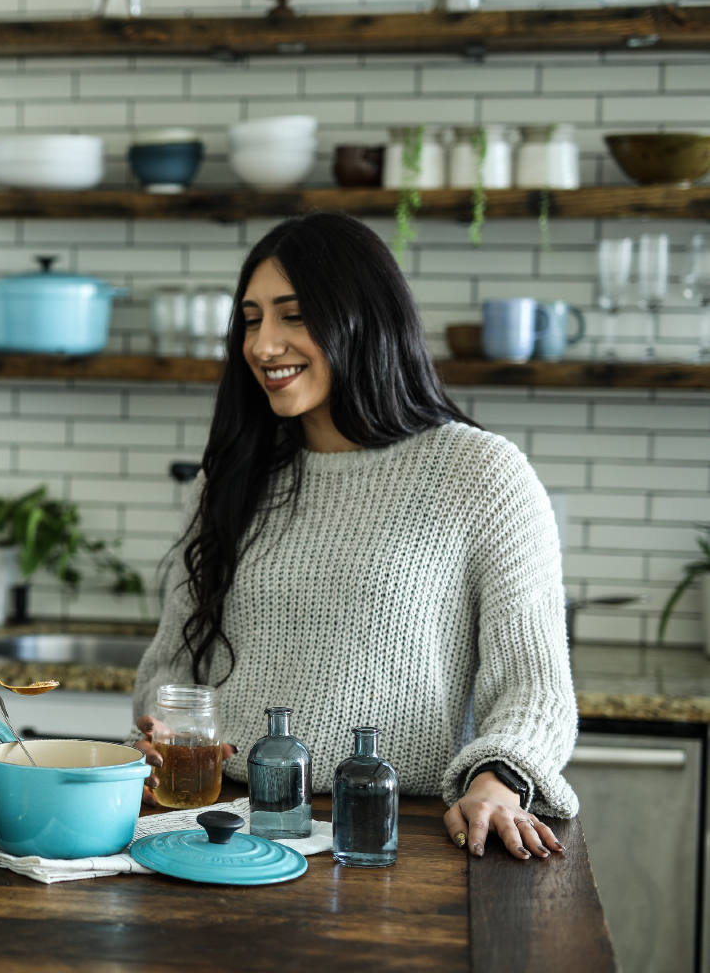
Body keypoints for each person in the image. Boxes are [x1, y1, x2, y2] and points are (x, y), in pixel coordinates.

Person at [132, 212, 577, 862]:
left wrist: (498, 781)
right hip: (226, 829)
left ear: (363, 319)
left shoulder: (482, 473)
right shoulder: (232, 477)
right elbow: (173, 665)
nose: (263, 345)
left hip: (395, 833)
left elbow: (535, 689)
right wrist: (162, 728)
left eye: (294, 315)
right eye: (252, 320)